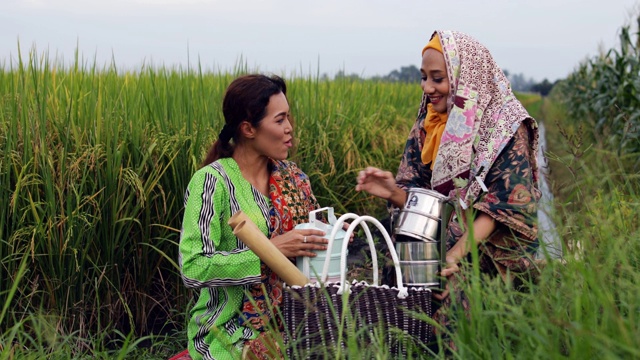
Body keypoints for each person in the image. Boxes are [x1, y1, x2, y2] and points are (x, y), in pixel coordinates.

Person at [355, 30, 541, 345]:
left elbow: (502, 208)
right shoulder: (430, 122)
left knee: (454, 298)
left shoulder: (506, 126)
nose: (427, 88)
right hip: (442, 232)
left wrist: (453, 256)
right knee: (385, 257)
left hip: (492, 246)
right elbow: (423, 199)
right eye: (424, 77)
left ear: (465, 78)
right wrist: (394, 193)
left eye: (437, 79)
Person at [178, 74, 328, 360]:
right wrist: (271, 251)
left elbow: (310, 237)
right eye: (280, 120)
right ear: (248, 128)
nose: (289, 129)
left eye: (288, 118)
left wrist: (332, 233)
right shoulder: (212, 182)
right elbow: (193, 267)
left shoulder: (291, 177)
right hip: (228, 331)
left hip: (293, 319)